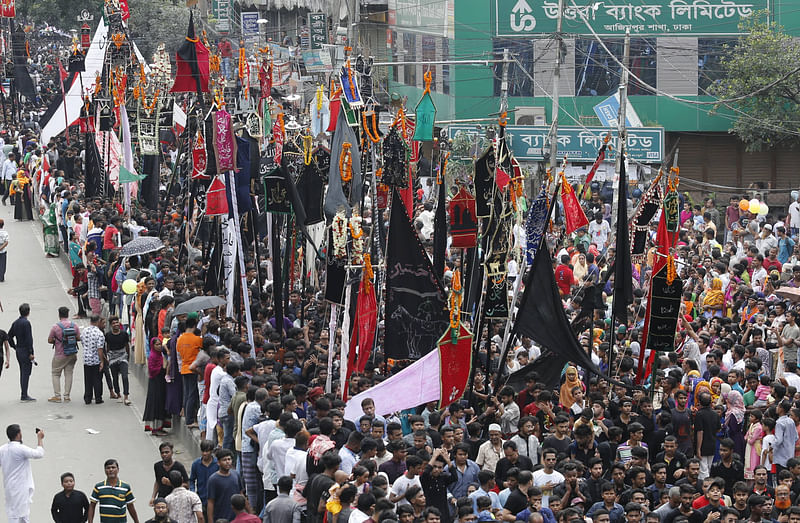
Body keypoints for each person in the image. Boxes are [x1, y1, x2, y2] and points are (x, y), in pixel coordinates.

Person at [0, 424, 45, 522]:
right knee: (16, 515)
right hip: (20, 487)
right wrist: (40, 438)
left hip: (9, 486)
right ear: (18, 435)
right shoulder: (20, 448)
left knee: (21, 513)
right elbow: (39, 454)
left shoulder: (2, 449)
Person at [48, 306, 81, 403]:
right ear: (67, 314)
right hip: (72, 353)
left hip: (60, 354)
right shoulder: (74, 325)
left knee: (56, 373)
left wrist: (57, 340)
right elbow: (78, 338)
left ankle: (57, 396)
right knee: (69, 374)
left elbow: (50, 340)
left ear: (59, 315)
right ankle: (67, 396)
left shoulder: (55, 327)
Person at [207, 448, 246, 522]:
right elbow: (210, 502)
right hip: (221, 519)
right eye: (224, 460)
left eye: (229, 459)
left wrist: (250, 513)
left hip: (236, 519)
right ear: (218, 462)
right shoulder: (213, 479)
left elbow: (241, 495)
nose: (228, 462)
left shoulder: (236, 475)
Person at [8, 302, 36, 401]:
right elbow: (29, 339)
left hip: (19, 349)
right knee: (26, 372)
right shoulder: (26, 323)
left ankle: (24, 392)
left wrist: (14, 346)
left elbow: (9, 336)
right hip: (25, 349)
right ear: (28, 312)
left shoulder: (15, 323)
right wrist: (31, 352)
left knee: (23, 371)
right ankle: (24, 394)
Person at [106, 315, 131, 405]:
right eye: (113, 323)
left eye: (117, 322)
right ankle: (119, 395)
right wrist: (108, 358)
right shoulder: (108, 335)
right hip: (112, 358)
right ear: (111, 325)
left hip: (123, 357)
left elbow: (127, 346)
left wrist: (127, 357)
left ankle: (126, 396)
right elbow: (107, 347)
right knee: (115, 378)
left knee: (125, 376)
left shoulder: (124, 334)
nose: (116, 324)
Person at [82, 314, 106, 405]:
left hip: (86, 358)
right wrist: (102, 361)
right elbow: (100, 349)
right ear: (98, 321)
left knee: (88, 379)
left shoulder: (84, 331)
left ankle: (87, 398)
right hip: (95, 359)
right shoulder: (99, 333)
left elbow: (83, 342)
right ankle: (98, 397)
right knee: (97, 379)